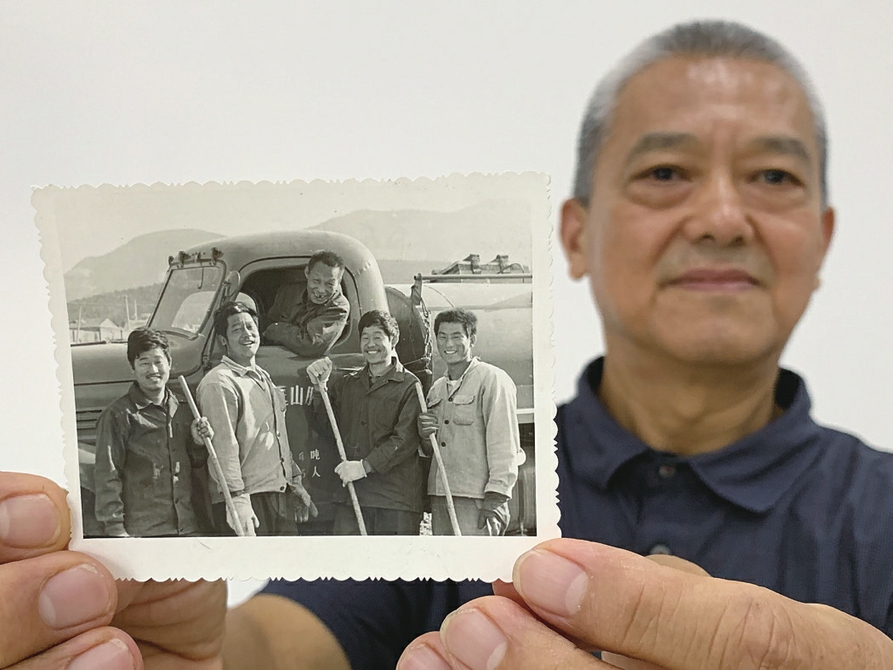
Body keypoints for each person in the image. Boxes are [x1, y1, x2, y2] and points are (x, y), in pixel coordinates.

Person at [5, 18, 893, 670]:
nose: (721, 216)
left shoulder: (879, 517)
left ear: (821, 238)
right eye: (664, 172)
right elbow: (284, 639)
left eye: (771, 176)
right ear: (576, 234)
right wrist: (158, 645)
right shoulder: (442, 464)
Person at [197, 301, 316, 536]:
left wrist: (295, 482)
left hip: (278, 496)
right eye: (237, 329)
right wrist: (237, 502)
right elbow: (223, 448)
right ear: (223, 341)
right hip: (248, 501)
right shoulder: (220, 383)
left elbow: (277, 437)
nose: (247, 334)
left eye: (250, 327)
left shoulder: (263, 378)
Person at [306, 310, 425, 535]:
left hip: (393, 501)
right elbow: (327, 428)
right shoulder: (348, 384)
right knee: (351, 567)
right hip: (353, 497)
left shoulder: (410, 385)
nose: (371, 344)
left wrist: (364, 467)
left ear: (393, 340)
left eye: (378, 337)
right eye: (365, 337)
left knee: (393, 568)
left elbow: (405, 439)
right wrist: (319, 388)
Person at [93, 327, 213, 538]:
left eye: (158, 361)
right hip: (145, 534)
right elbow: (107, 476)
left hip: (188, 529)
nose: (153, 369)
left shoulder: (183, 408)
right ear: (133, 367)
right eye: (144, 363)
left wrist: (197, 443)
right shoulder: (118, 416)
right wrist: (116, 531)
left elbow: (195, 465)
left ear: (169, 363)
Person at [417, 308, 520, 536]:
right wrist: (424, 437)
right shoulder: (436, 389)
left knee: (476, 568)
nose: (448, 344)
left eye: (456, 336)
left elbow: (504, 441)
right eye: (442, 337)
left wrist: (496, 496)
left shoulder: (492, 380)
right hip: (441, 496)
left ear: (471, 339)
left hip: (477, 500)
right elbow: (431, 448)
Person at [264, 250, 351, 358]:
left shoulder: (338, 307)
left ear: (339, 281)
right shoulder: (289, 291)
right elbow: (269, 321)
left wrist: (275, 330)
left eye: (330, 284)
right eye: (316, 281)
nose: (321, 290)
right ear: (307, 273)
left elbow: (311, 344)